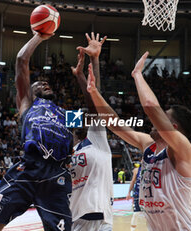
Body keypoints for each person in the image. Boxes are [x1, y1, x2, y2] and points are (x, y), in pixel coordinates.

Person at [87, 51, 191, 230]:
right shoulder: (149, 145)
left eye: (164, 118)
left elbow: (150, 107)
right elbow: (115, 124)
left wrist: (137, 74)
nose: (153, 122)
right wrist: (93, 92)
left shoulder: (183, 150)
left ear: (174, 128)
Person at [0, 32, 73, 231]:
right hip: (28, 168)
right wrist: (39, 36)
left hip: (56, 173)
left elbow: (96, 117)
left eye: (47, 83)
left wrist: (86, 78)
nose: (45, 83)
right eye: (39, 83)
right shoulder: (27, 103)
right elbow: (21, 60)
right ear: (28, 92)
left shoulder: (65, 114)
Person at [69, 32, 113, 231]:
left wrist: (93, 62)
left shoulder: (95, 140)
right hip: (74, 218)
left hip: (99, 218)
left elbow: (96, 103)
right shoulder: (67, 152)